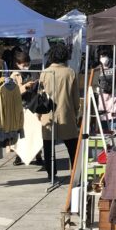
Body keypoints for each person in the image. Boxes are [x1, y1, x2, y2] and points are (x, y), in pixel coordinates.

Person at [39, 42, 81, 180]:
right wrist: (76, 111)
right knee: (72, 144)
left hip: (47, 114)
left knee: (48, 145)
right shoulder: (70, 72)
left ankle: (51, 173)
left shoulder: (44, 73)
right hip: (66, 112)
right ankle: (76, 172)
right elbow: (75, 97)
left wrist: (39, 114)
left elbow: (40, 95)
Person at [95, 52, 116, 132]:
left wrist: (96, 90)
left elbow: (95, 81)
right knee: (114, 111)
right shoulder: (115, 67)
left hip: (104, 94)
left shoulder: (99, 68)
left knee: (103, 111)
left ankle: (105, 129)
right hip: (114, 93)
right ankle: (113, 128)